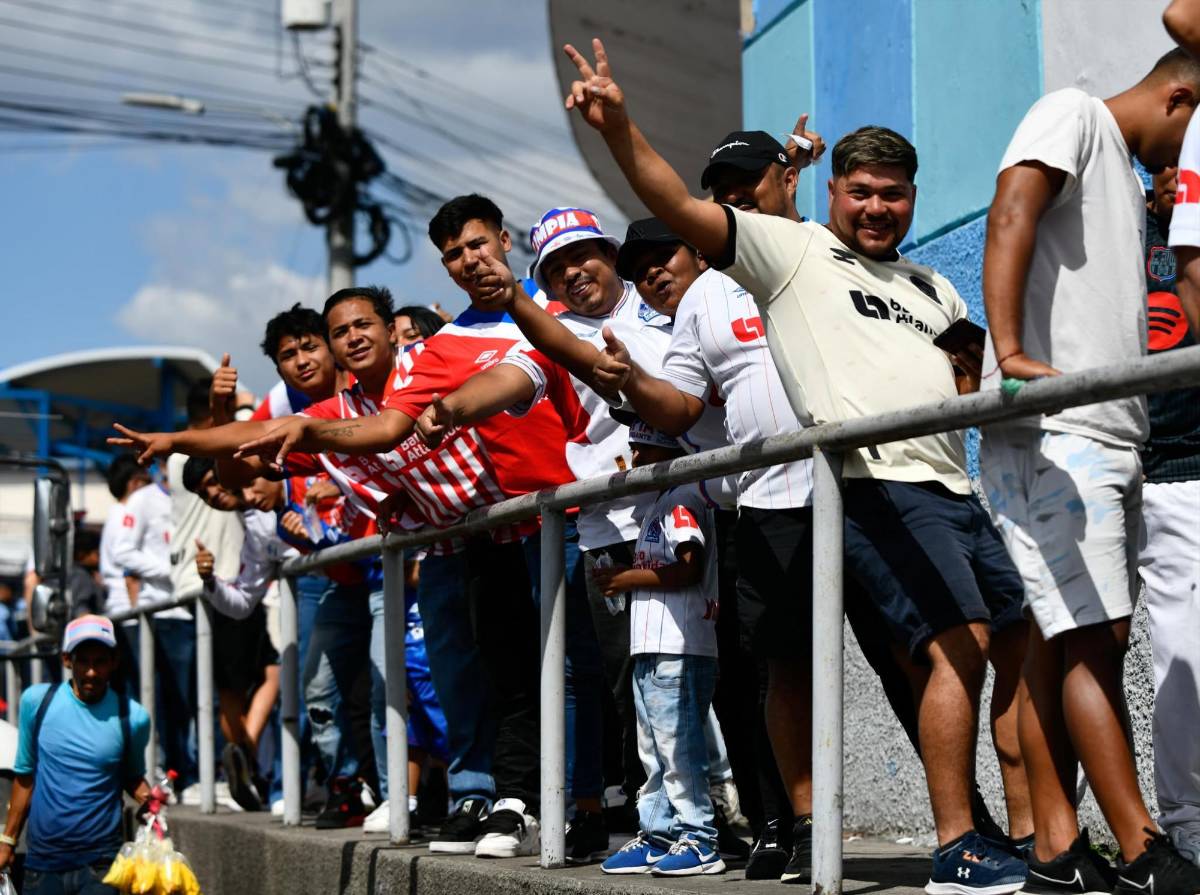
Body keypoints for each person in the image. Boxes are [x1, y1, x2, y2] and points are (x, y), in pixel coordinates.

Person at [561, 38, 1029, 894]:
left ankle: (999, 831)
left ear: (789, 177)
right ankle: (820, 823)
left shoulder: (890, 270)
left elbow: (966, 366)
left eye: (893, 193)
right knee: (802, 662)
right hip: (791, 498)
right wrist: (620, 128)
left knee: (950, 652)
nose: (878, 206)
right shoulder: (753, 269)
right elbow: (679, 394)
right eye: (861, 193)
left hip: (914, 487)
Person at [980, 49, 1200, 895]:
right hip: (1062, 432)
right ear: (1179, 96)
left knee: (1060, 637)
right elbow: (1010, 212)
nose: (1182, 168)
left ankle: (1054, 851)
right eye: (1190, 142)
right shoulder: (1071, 114)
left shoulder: (1120, 169)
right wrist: (1008, 351)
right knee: (1092, 641)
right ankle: (1145, 851)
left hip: (1108, 433)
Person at [594, 422, 725, 876]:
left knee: (678, 747)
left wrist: (626, 578)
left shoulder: (685, 496)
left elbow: (690, 566)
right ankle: (659, 833)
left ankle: (700, 837)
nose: (634, 462)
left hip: (680, 645)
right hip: (650, 646)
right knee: (652, 747)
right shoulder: (657, 506)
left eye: (643, 452)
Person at [1137, 165, 1200, 868]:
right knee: (1070, 653)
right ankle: (1052, 832)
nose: (1169, 180)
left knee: (1187, 661)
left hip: (1190, 471)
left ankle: (1187, 823)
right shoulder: (1108, 233)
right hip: (1106, 463)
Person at [0, 615, 151, 895]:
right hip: (42, 866)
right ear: (67, 660)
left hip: (102, 867)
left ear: (113, 662)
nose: (91, 672)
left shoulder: (132, 717)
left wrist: (153, 802)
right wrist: (7, 841)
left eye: (100, 662)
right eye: (83, 661)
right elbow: (25, 777)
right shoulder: (36, 703)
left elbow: (132, 778)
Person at [183, 457, 281, 814]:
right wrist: (208, 579)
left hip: (233, 595)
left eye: (214, 482)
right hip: (228, 594)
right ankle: (248, 758)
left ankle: (246, 756)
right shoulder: (249, 516)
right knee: (245, 684)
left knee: (257, 679)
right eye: (203, 492)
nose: (212, 494)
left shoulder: (255, 496)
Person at [98, 456, 149, 677]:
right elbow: (131, 572)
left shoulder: (114, 514)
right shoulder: (127, 516)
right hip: (130, 611)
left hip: (119, 610)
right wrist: (137, 609)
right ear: (135, 483)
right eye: (148, 482)